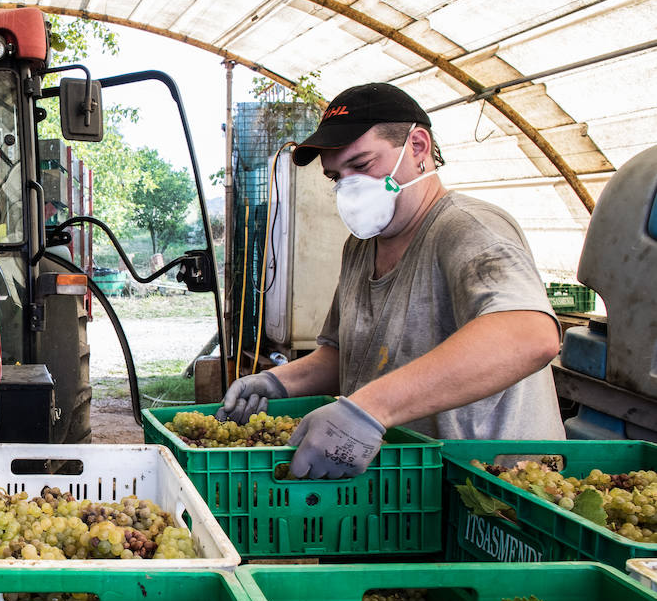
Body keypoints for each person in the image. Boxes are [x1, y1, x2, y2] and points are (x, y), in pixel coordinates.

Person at [217, 82, 564, 479]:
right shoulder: (360, 249)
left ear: (417, 147)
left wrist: (369, 408)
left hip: (492, 491)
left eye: (362, 166)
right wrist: (274, 382)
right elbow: (342, 355)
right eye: (336, 177)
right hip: (408, 487)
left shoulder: (468, 228)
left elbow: (530, 336)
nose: (348, 187)